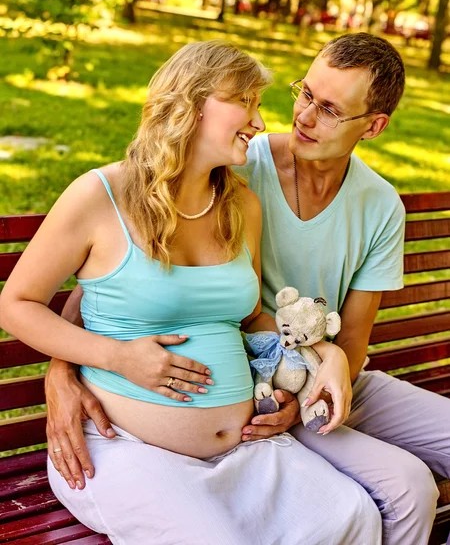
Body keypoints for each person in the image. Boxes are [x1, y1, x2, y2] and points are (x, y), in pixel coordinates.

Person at [43, 32, 450, 545]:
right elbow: (114, 275)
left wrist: (311, 384)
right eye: (305, 93)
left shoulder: (378, 205)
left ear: (373, 126)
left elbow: (350, 346)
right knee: (407, 487)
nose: (302, 115)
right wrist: (62, 371)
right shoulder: (231, 164)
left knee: (390, 495)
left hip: (322, 380)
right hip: (240, 391)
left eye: (329, 109)